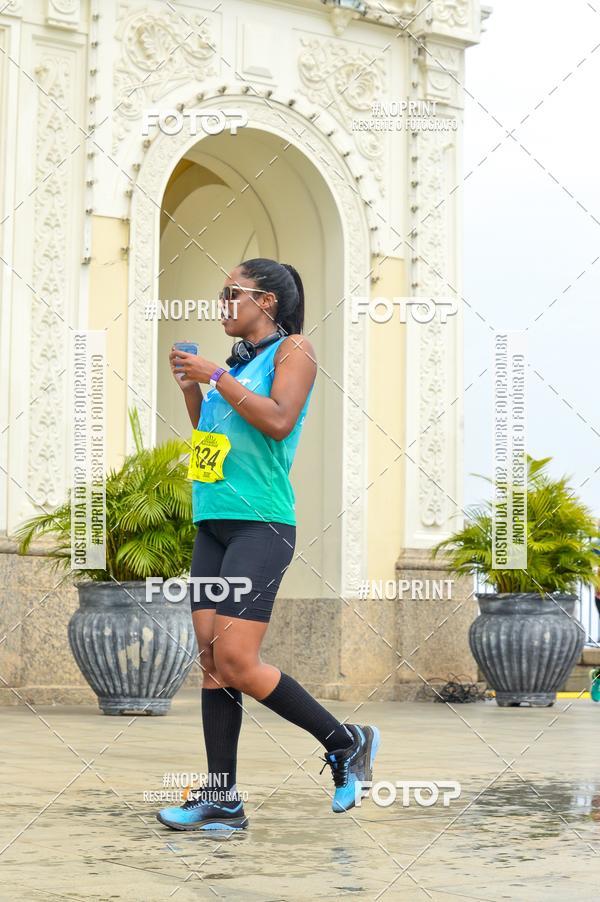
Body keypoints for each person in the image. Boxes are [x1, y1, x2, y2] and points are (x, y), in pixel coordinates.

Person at [156, 259, 379, 831]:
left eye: (233, 292)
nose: (223, 301)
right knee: (210, 661)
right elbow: (211, 440)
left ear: (267, 302)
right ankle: (222, 798)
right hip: (214, 522)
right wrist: (194, 390)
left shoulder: (293, 351)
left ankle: (345, 740)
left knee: (236, 658)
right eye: (220, 292)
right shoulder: (235, 364)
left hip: (262, 526)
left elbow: (279, 422)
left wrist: (215, 379)